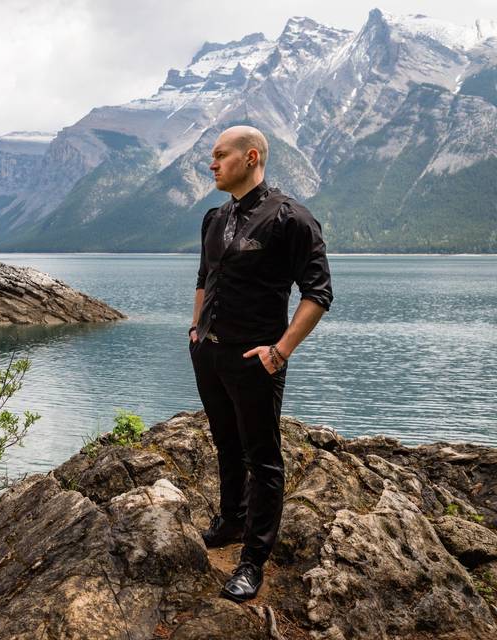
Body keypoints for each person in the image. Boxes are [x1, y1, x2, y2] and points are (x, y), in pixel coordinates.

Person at [188, 125, 333, 602]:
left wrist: (280, 350)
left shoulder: (291, 218)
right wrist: (196, 331)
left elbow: (318, 294)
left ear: (250, 157)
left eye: (219, 155)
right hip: (209, 352)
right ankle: (231, 520)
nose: (212, 164)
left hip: (256, 359)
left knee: (264, 458)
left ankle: (253, 560)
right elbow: (205, 276)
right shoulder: (214, 217)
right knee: (225, 443)